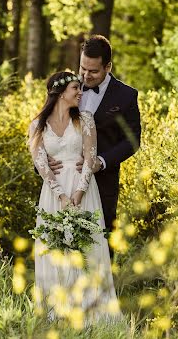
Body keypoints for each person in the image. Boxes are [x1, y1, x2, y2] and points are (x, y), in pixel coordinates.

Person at [28, 71, 122, 324]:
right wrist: (60, 196)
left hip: (84, 190)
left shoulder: (85, 120)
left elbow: (90, 159)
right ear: (60, 93)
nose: (80, 93)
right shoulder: (37, 125)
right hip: (54, 195)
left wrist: (78, 193)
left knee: (87, 248)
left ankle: (92, 313)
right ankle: (57, 312)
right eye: (74, 89)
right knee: (54, 248)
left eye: (80, 89)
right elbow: (42, 165)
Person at [48, 35, 141, 234]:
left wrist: (101, 161)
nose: (86, 76)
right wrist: (43, 161)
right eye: (82, 68)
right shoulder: (65, 87)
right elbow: (45, 126)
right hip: (62, 181)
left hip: (102, 183)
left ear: (108, 67)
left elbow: (132, 140)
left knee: (101, 240)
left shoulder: (126, 96)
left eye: (93, 71)